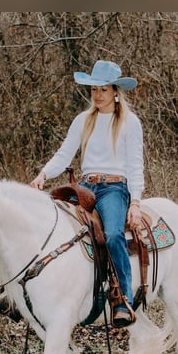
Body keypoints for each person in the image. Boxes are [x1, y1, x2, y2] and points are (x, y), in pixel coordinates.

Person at [30, 60, 144, 328]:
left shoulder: (129, 122)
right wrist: (44, 174)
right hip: (85, 186)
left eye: (103, 90)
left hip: (113, 188)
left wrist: (135, 202)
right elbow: (64, 153)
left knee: (114, 234)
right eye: (94, 89)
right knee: (49, 221)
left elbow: (135, 164)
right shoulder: (83, 120)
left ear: (116, 92)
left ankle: (122, 298)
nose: (98, 95)